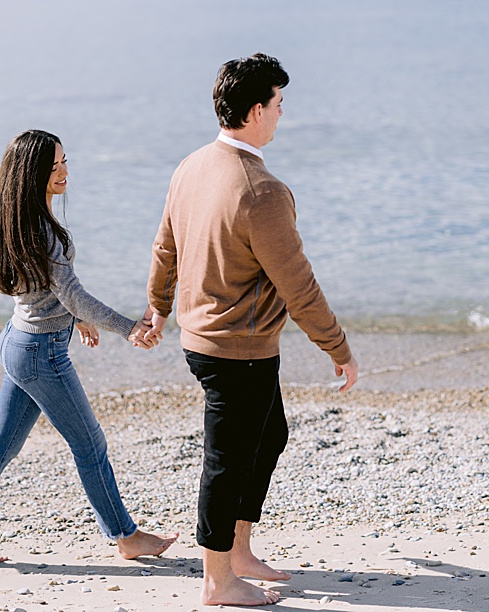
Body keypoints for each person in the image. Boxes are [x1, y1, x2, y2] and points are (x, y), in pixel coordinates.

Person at [141, 53, 359, 607]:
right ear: (257, 110)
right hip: (238, 349)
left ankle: (238, 552)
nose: (284, 114)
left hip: (205, 340)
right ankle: (218, 580)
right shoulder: (261, 190)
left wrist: (159, 308)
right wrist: (338, 348)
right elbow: (298, 284)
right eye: (280, 104)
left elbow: (165, 247)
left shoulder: (191, 165)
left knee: (269, 435)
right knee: (228, 459)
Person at [0, 130, 178, 563]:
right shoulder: (42, 232)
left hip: (18, 342)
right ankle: (126, 536)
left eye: (65, 160)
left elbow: (47, 292)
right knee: (90, 445)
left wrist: (79, 319)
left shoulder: (18, 220)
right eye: (54, 167)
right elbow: (72, 293)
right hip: (40, 354)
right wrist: (128, 328)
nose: (65, 171)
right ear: (33, 174)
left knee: (2, 444)